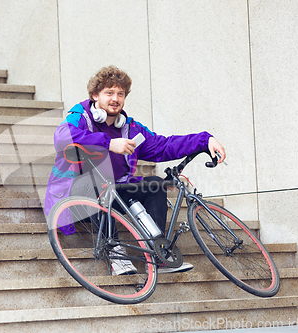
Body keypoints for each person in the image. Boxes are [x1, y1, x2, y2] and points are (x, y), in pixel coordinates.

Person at [44, 65, 226, 275]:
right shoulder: (80, 117)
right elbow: (62, 137)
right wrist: (108, 143)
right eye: (109, 93)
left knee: (155, 184)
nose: (115, 99)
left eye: (120, 94)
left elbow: (163, 146)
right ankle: (115, 254)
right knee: (96, 180)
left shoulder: (129, 127)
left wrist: (205, 140)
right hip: (76, 198)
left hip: (115, 194)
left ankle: (159, 254)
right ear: (95, 95)